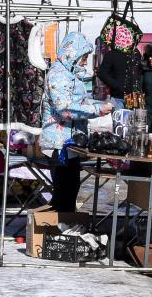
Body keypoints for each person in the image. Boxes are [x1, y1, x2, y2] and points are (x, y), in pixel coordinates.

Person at [41, 29, 108, 211]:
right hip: (58, 143)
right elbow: (65, 109)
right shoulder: (58, 75)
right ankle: (57, 232)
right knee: (64, 192)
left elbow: (80, 101)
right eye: (83, 57)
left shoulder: (70, 75)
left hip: (69, 143)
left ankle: (63, 229)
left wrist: (101, 104)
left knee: (70, 189)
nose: (85, 61)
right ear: (73, 54)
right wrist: (97, 109)